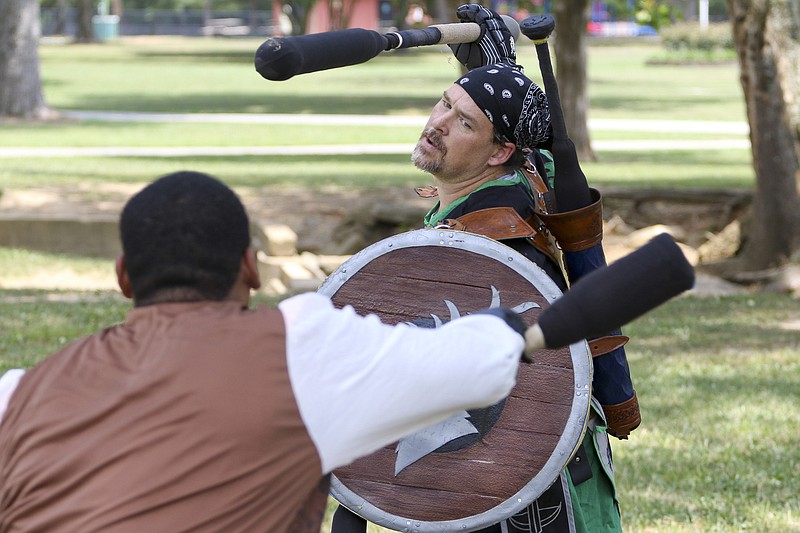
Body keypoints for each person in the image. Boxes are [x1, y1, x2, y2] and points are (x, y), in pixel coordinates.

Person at [0, 171, 534, 532]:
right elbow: (481, 367)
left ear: (123, 278)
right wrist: (499, 320)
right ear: (251, 268)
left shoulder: (16, 395)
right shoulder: (302, 351)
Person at [332, 4, 639, 533]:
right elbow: (533, 146)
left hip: (522, 495)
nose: (438, 125)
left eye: (464, 122)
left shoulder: (491, 241)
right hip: (534, 479)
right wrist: (499, 65)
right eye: (445, 104)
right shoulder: (527, 179)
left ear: (500, 152)